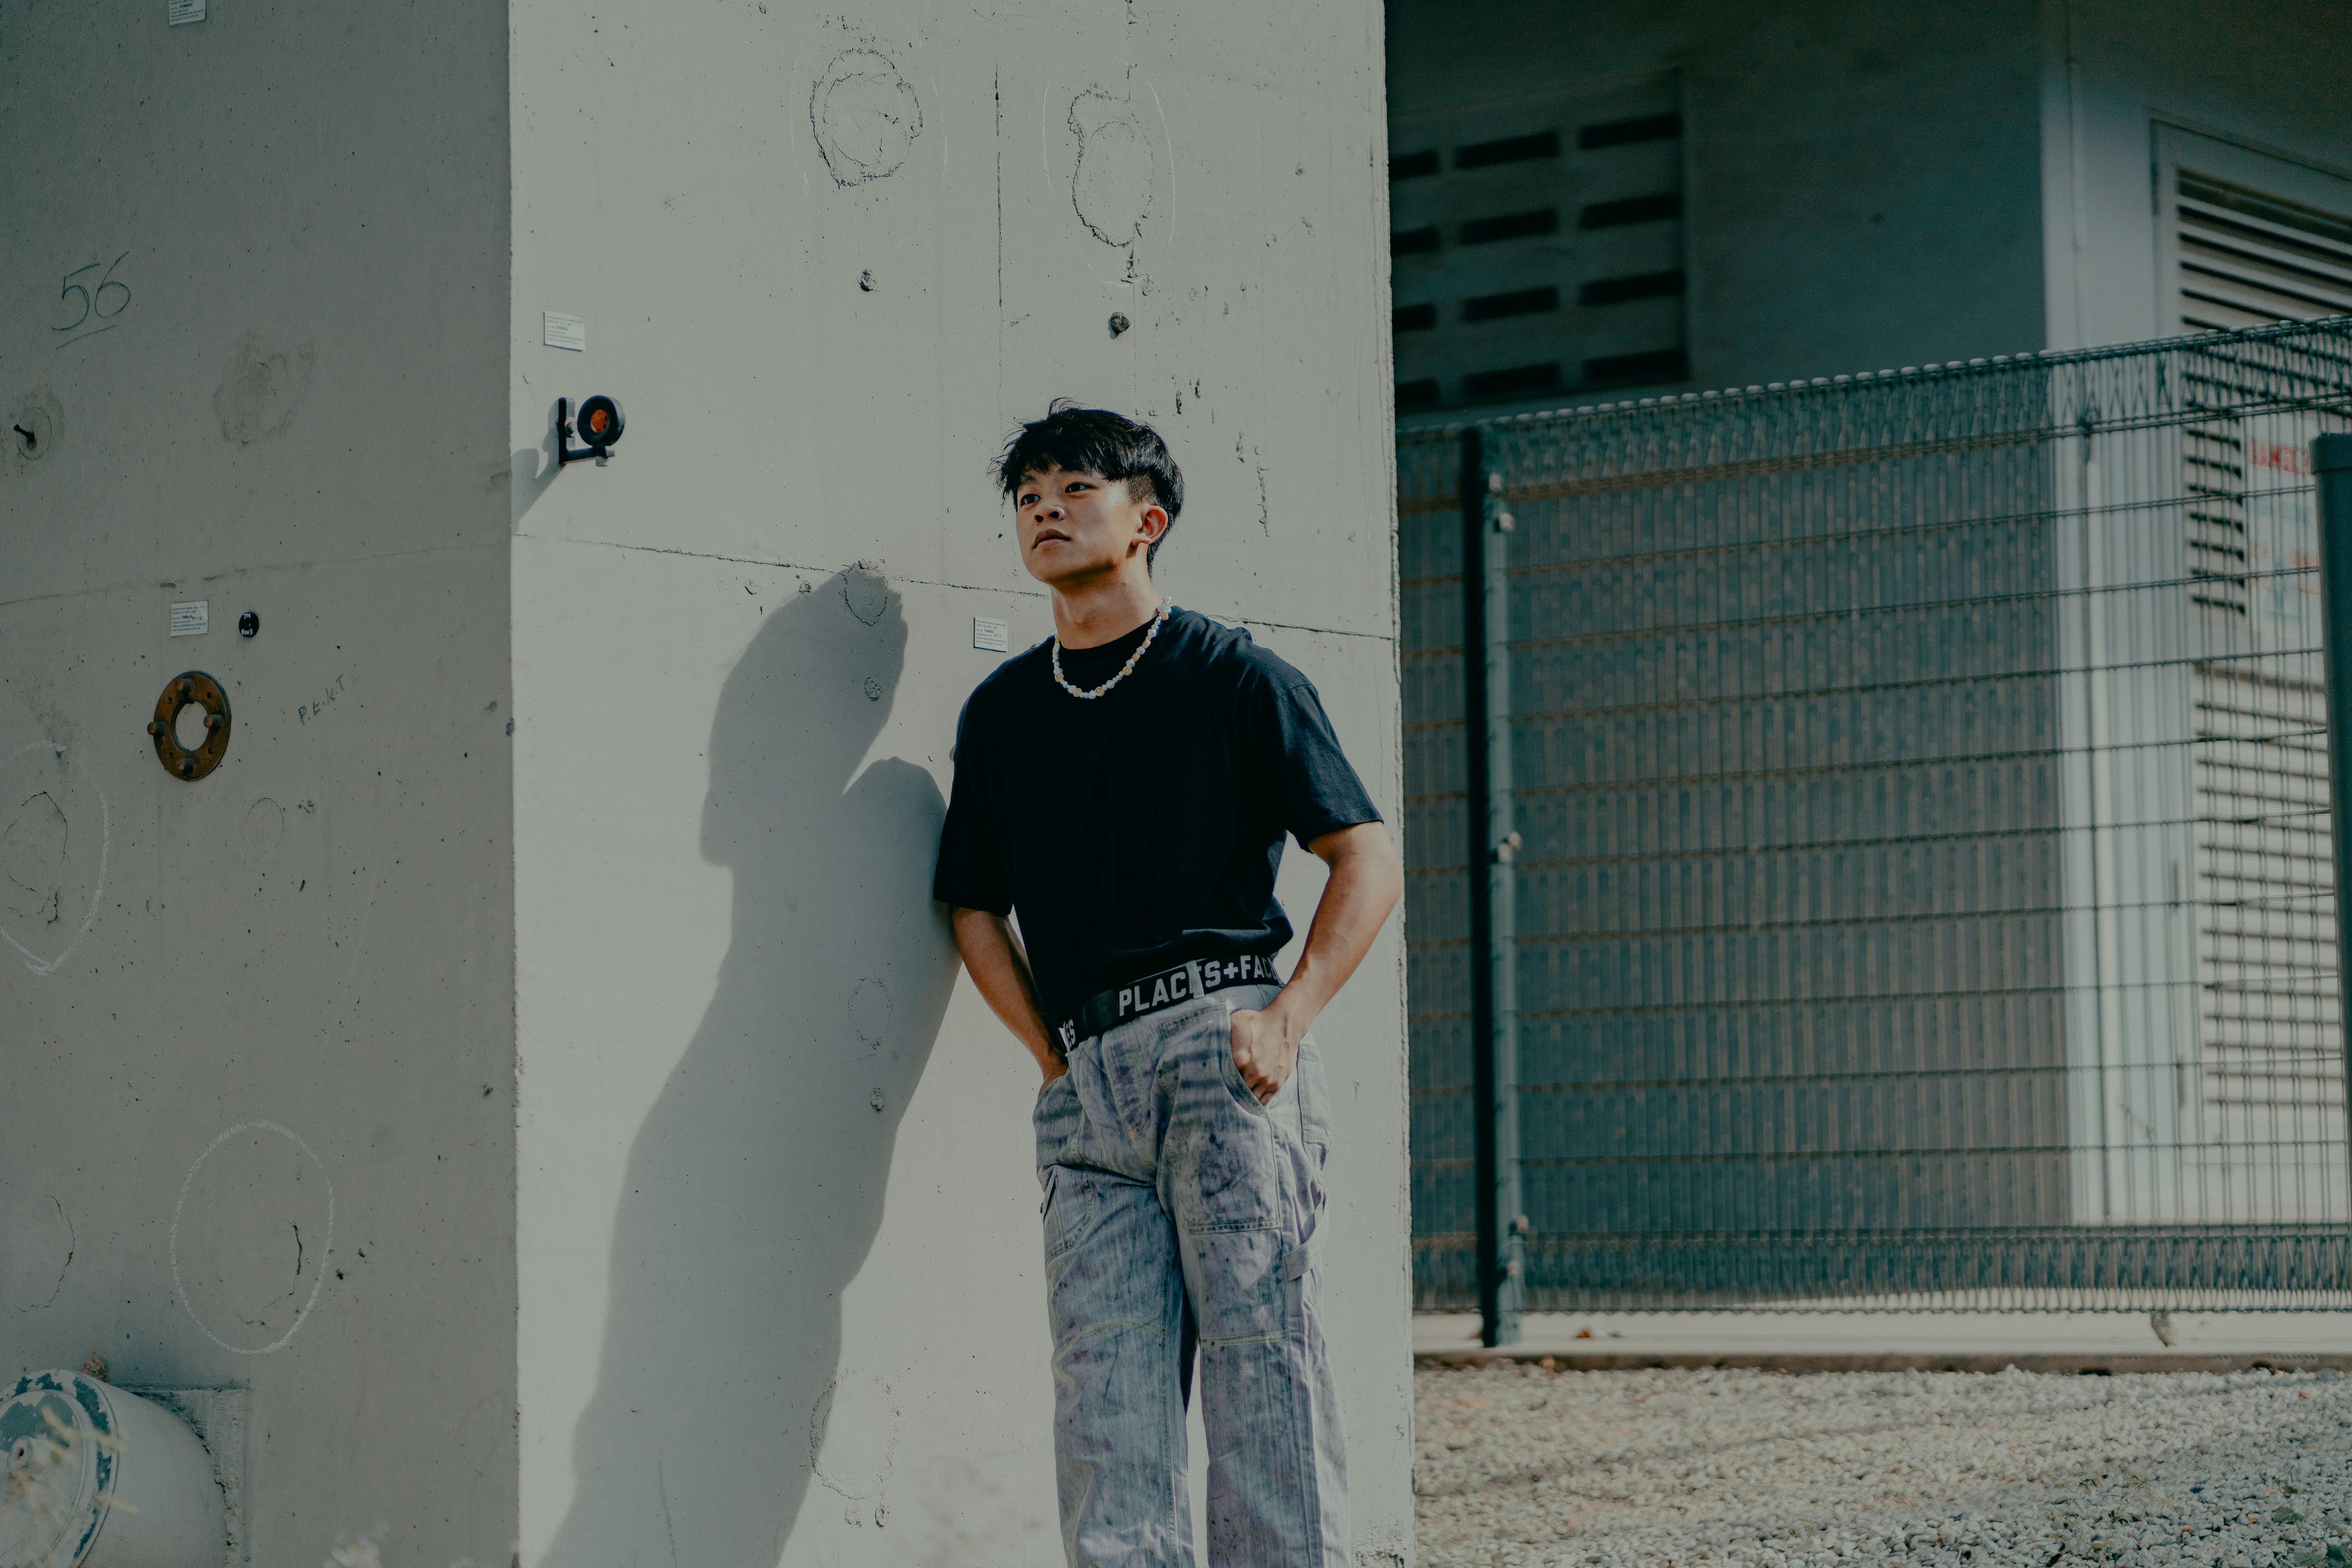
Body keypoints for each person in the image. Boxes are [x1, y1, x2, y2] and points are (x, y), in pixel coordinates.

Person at [933, 403, 1403, 1567]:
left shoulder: (1235, 675)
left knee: (1265, 1367)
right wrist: (1052, 1059)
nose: (1044, 509)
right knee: (1104, 1399)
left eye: (1072, 489)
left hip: (1221, 1047)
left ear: (1145, 521)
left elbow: (1367, 856)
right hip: (1088, 1079)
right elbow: (972, 905)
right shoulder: (1001, 713)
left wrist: (1287, 1017)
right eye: (1028, 494)